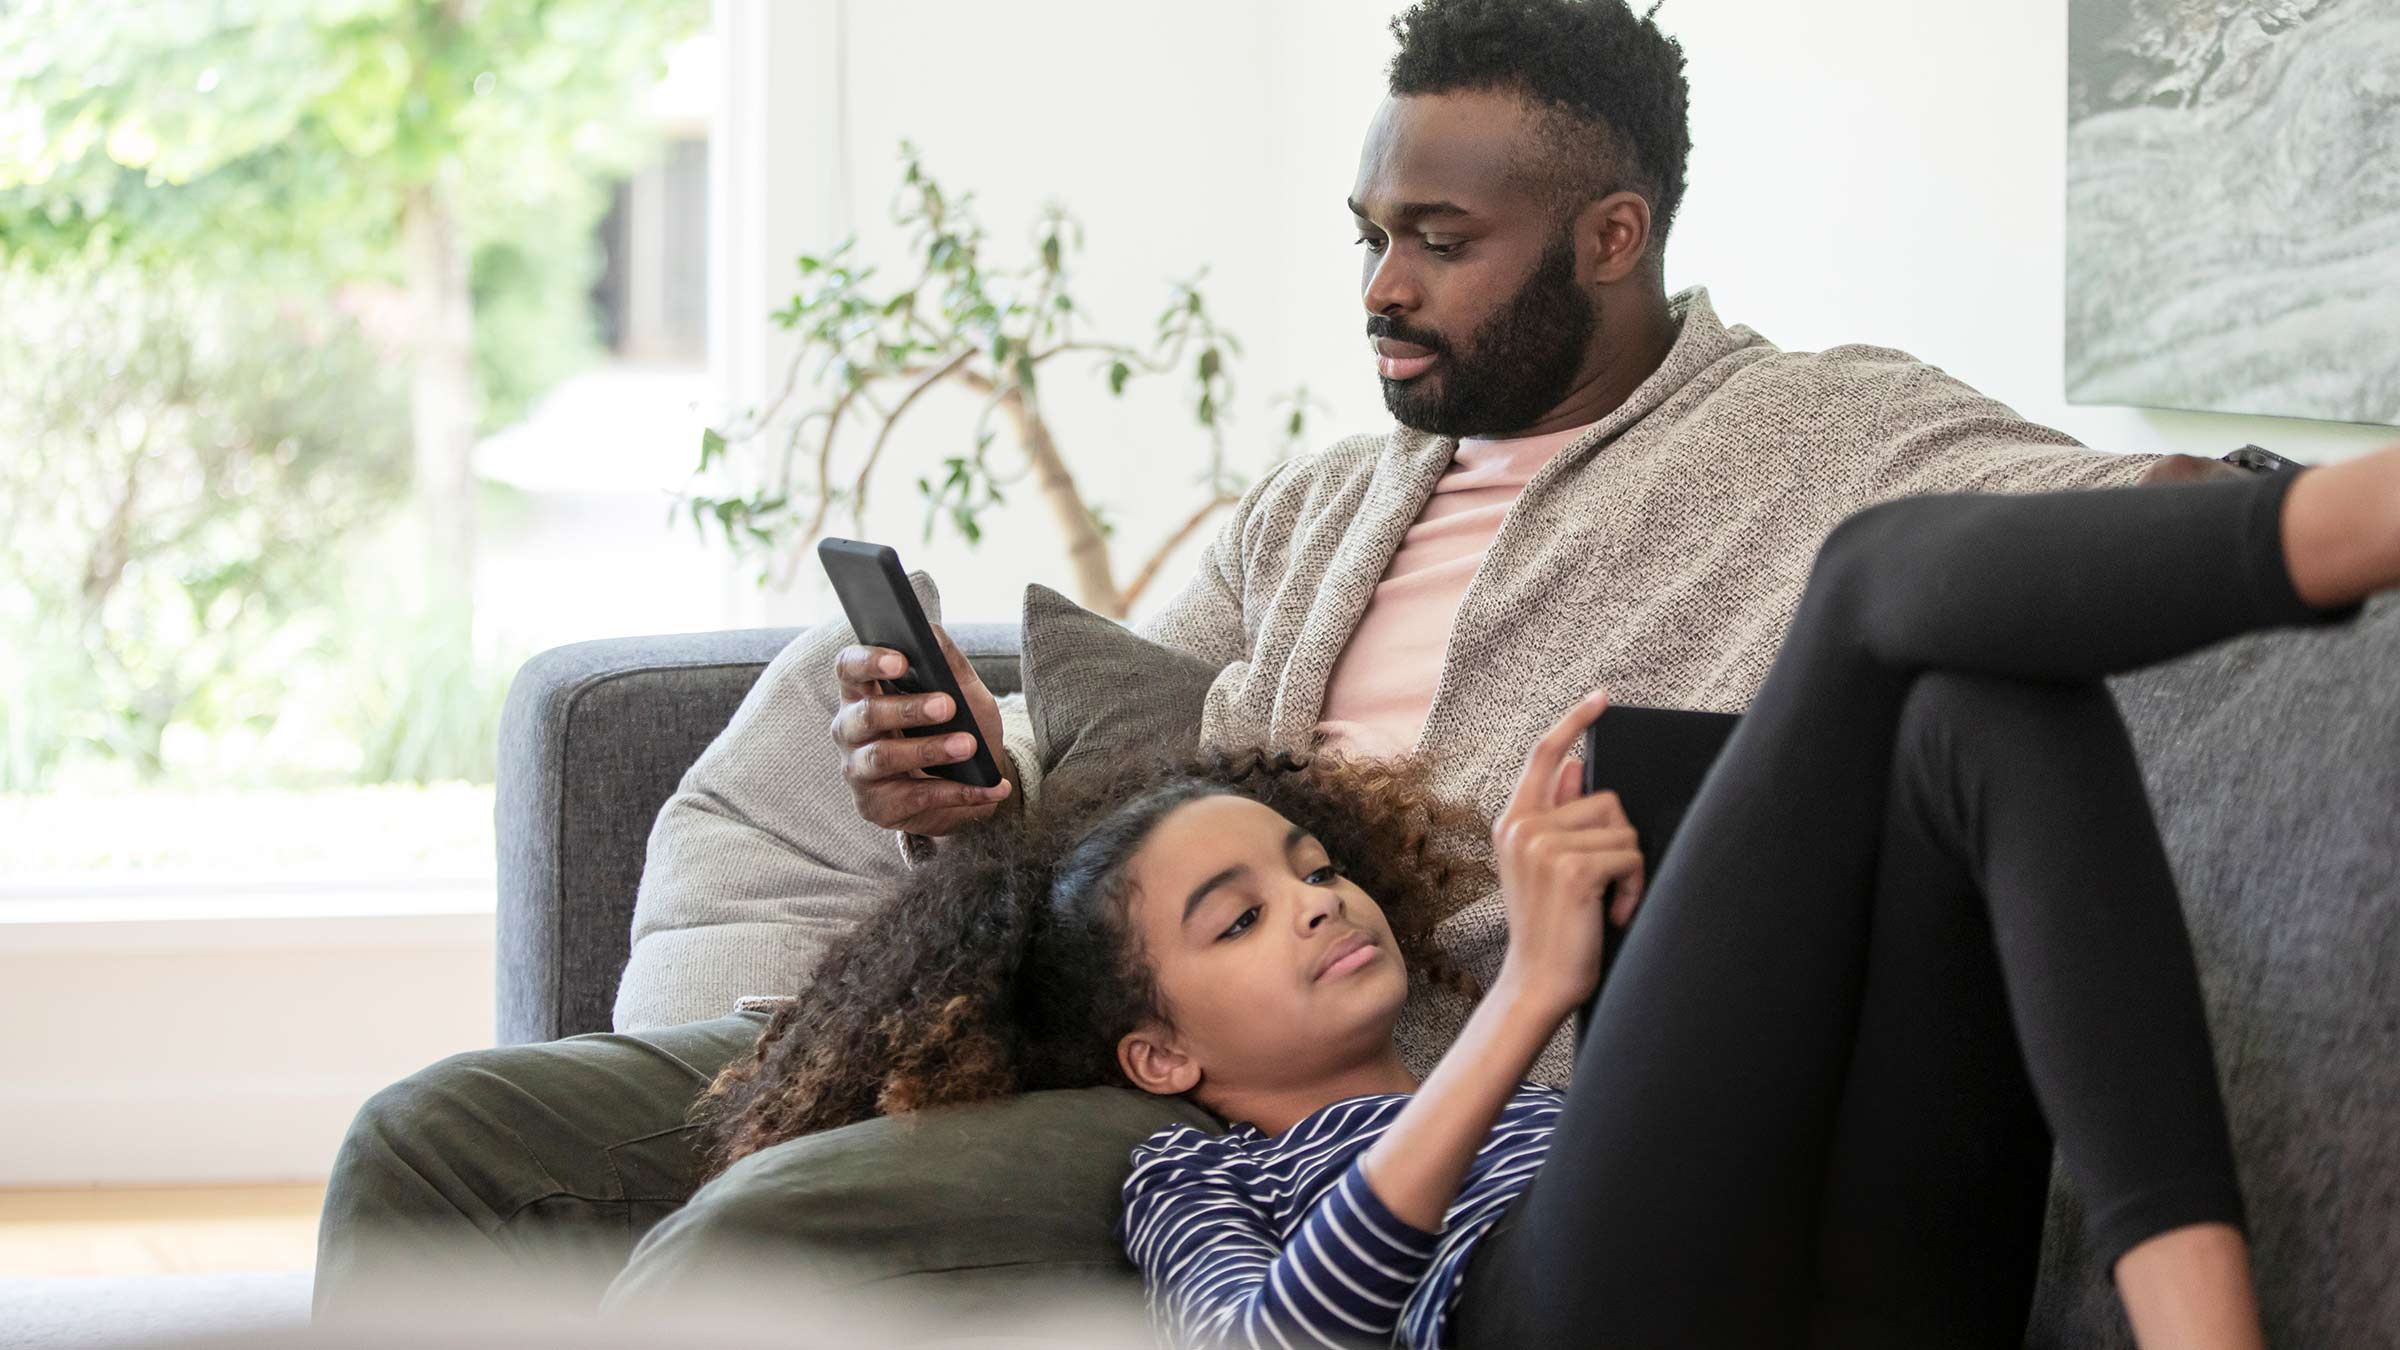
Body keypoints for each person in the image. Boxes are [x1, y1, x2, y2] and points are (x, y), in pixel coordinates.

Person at [314, 0, 2332, 1326]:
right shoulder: (1316, 507)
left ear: (1608, 236)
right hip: (1125, 1025)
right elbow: (1123, 831)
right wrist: (971, 807)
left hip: (1377, 1114)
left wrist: (2246, 485)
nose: (1378, 282)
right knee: (440, 1143)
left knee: (772, 1243)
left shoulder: (1813, 434)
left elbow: (2071, 503)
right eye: (1367, 227)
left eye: (1439, 238)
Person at [703, 457, 2393, 1348]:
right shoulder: (1188, 1174)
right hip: (1531, 1322)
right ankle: (2348, 511)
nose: (1310, 905)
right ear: (1157, 1052)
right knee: (1869, 578)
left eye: (1305, 866)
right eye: (1233, 920)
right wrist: (1529, 1001)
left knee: (1983, 713)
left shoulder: (1502, 1066)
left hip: (1829, 1294)